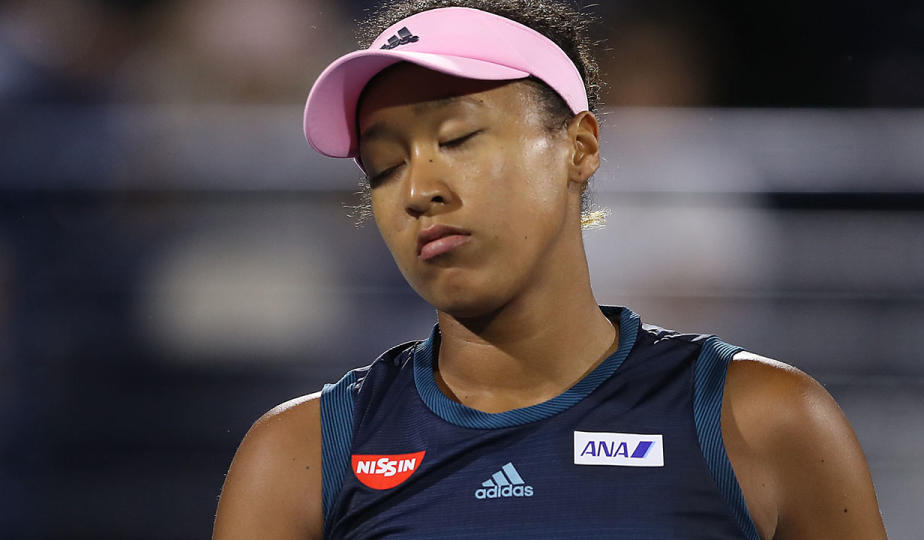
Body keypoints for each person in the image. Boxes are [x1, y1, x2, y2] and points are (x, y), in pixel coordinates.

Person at [213, 1, 888, 538]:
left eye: (457, 139)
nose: (418, 190)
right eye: (384, 167)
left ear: (580, 146)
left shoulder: (766, 422)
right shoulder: (297, 456)